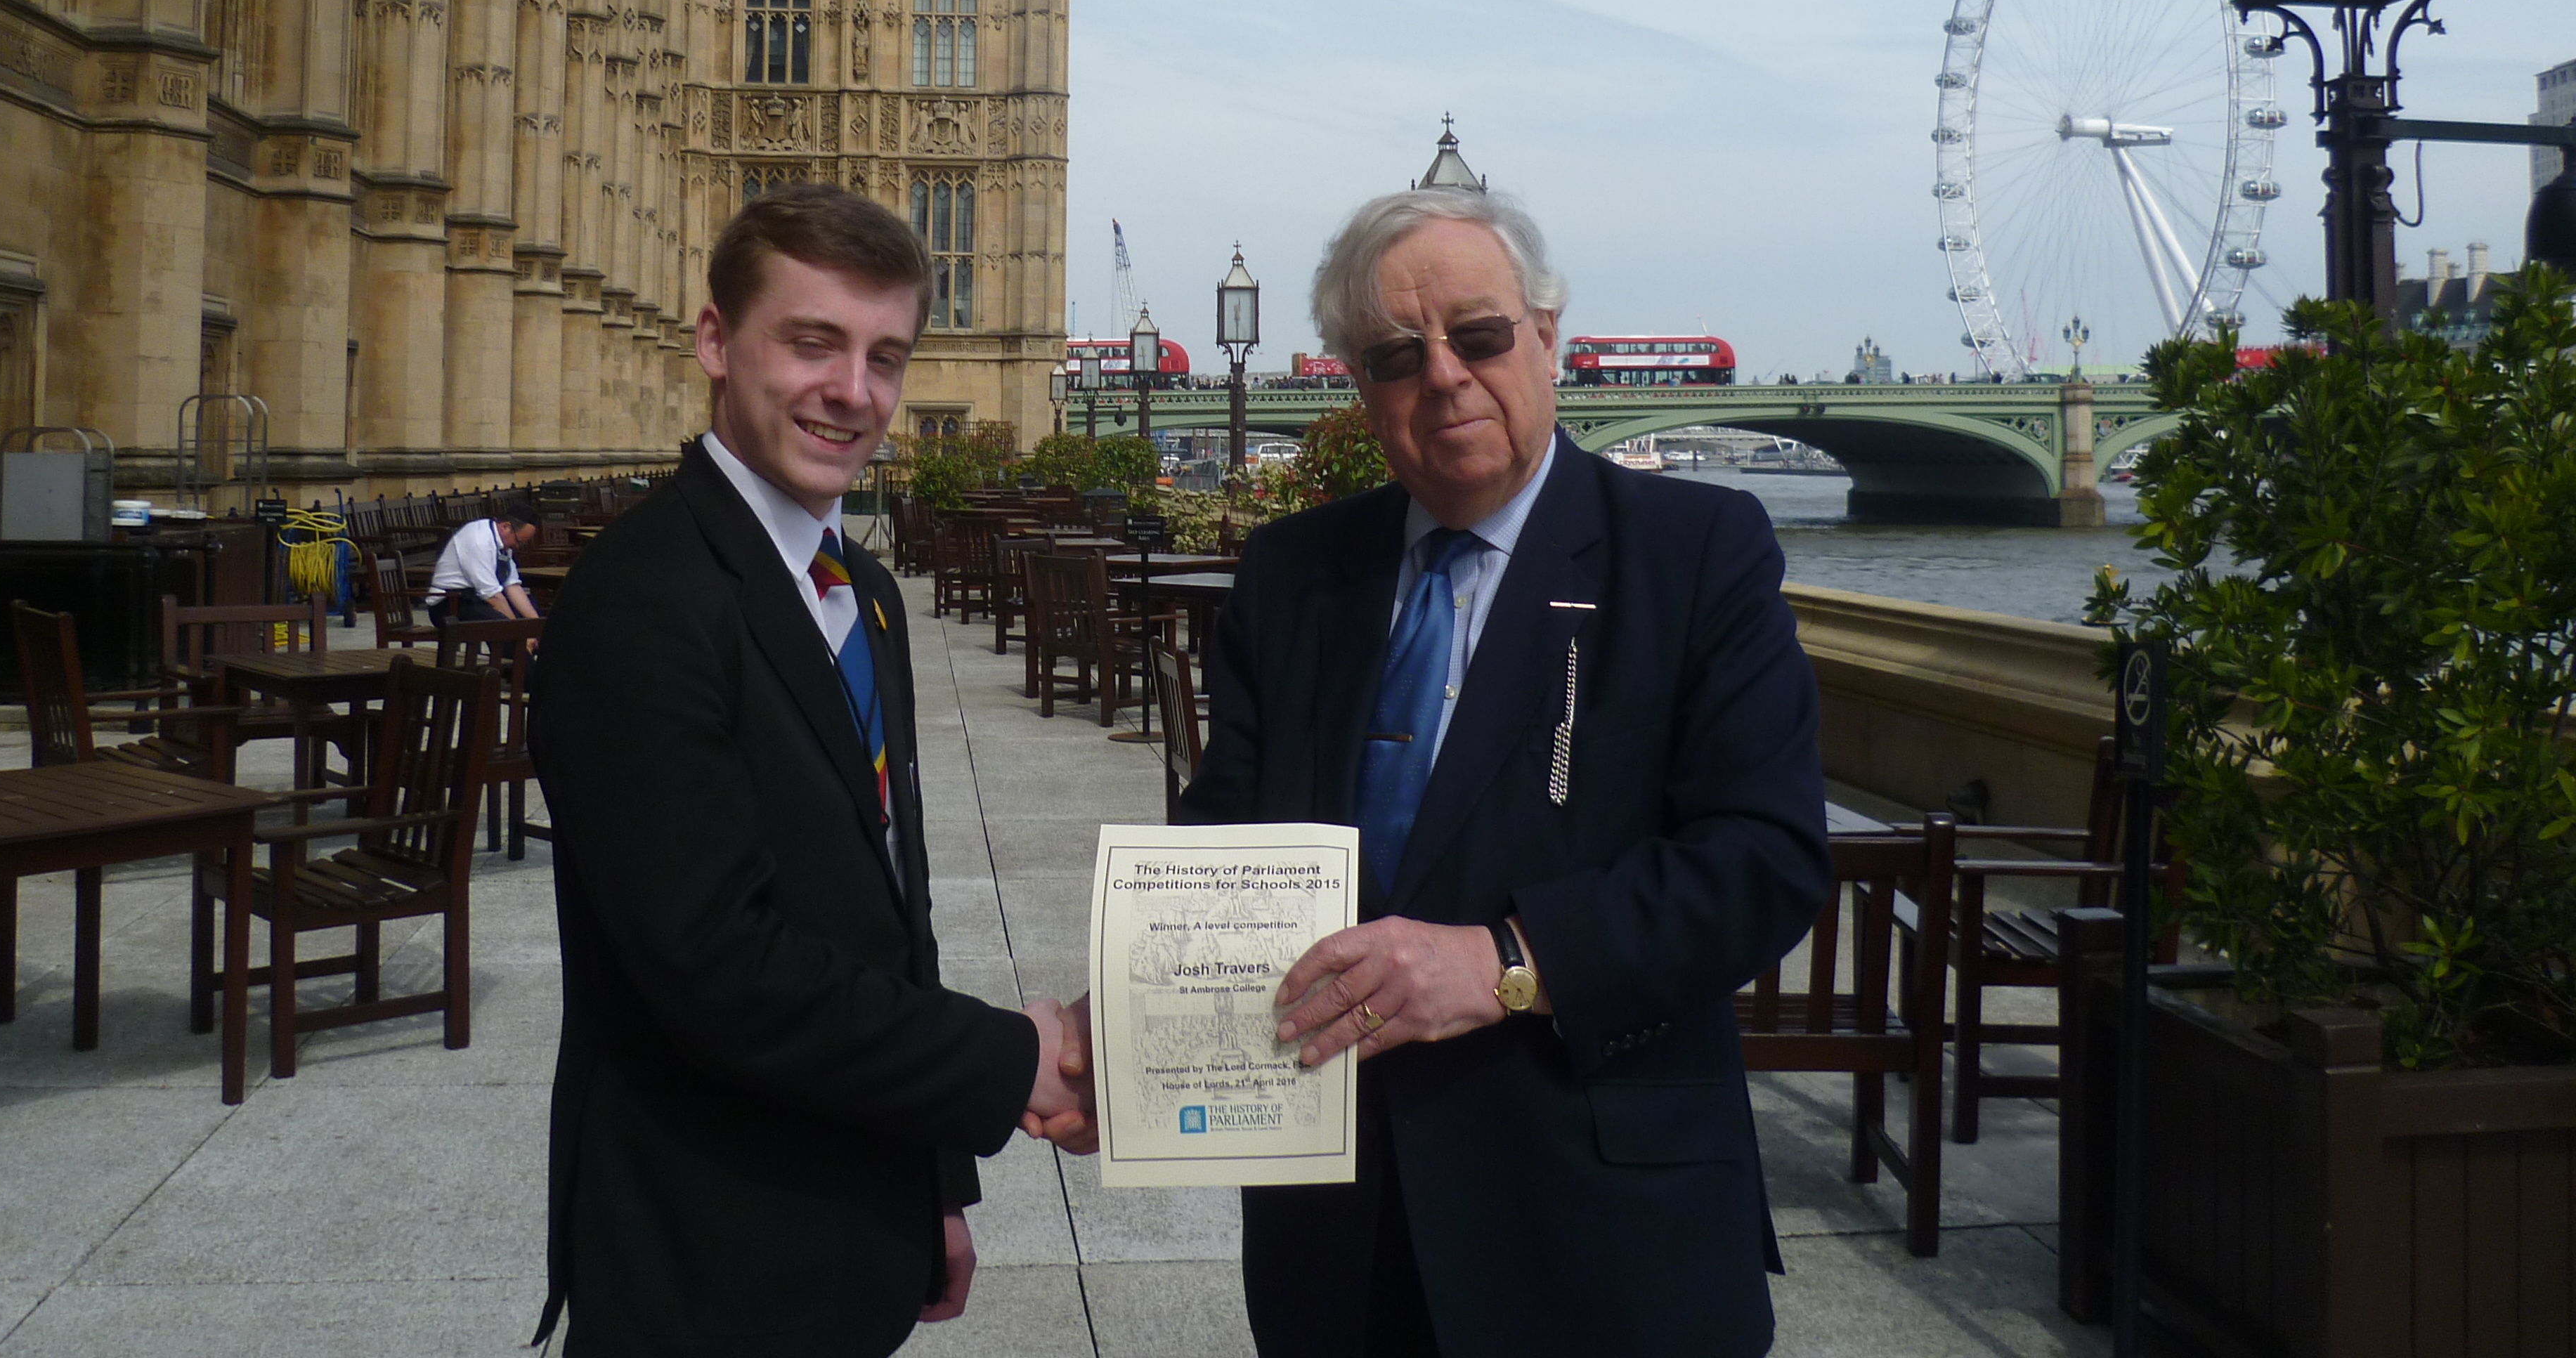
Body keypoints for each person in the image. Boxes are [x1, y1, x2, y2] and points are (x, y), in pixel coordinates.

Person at [1177, 188, 1833, 1357]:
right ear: (1359, 385)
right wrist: (1135, 1023)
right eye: (1396, 354)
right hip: (1340, 1230)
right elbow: (1224, 845)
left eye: (1477, 336)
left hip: (1601, 1227)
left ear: (1546, 336)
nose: (1444, 375)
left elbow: (1762, 862)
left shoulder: (1697, 554)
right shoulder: (1293, 575)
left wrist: (1506, 963)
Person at [528, 183, 1093, 1358]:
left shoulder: (865, 596)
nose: (856, 392)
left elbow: (893, 913)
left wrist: (935, 1181)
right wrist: (1013, 1059)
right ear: (716, 343)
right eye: (814, 343)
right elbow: (715, 965)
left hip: (854, 1217)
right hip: (708, 1251)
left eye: (886, 357)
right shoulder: (642, 600)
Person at [422, 497, 540, 627]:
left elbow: (512, 585)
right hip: (450, 603)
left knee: (531, 608)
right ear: (506, 527)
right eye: (518, 541)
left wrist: (535, 626)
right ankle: (518, 644)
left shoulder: (503, 543)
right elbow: (492, 596)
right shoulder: (478, 540)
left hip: (478, 597)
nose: (517, 547)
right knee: (500, 624)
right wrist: (520, 632)